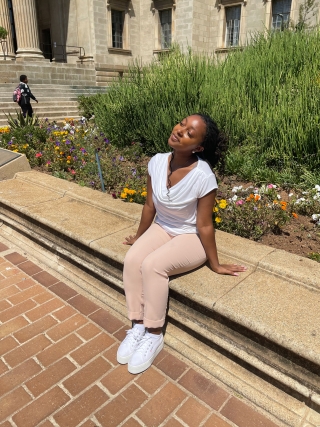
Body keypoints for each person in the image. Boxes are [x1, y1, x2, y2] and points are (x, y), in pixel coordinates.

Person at [117, 114, 247, 375]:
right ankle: (138, 325)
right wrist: (139, 237)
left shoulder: (203, 176)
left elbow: (205, 225)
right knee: (133, 259)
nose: (180, 131)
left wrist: (216, 263)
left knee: (153, 266)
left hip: (191, 238)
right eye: (182, 124)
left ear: (198, 147)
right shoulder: (156, 162)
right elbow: (150, 206)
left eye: (189, 133)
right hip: (162, 228)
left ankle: (154, 334)